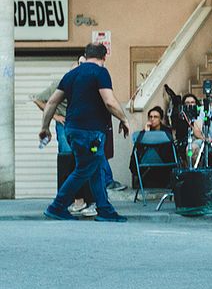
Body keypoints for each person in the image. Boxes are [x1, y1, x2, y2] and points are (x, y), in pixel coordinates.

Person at [38, 43, 131, 222]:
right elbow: (109, 102)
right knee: (84, 169)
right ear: (104, 58)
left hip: (72, 129)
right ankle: (57, 206)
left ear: (86, 55)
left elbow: (51, 103)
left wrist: (45, 128)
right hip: (91, 132)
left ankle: (104, 209)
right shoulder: (100, 72)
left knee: (94, 169)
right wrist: (124, 119)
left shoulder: (71, 75)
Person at [32, 59, 93, 216]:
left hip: (82, 126)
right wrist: (56, 117)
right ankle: (68, 200)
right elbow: (39, 100)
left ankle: (84, 200)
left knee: (85, 161)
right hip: (64, 125)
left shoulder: (87, 85)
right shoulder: (59, 84)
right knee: (68, 159)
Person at [129, 106, 174, 188]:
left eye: (155, 117)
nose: (152, 119)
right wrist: (146, 133)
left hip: (163, 160)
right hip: (146, 160)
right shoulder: (144, 132)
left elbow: (169, 150)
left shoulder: (166, 132)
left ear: (160, 119)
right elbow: (139, 149)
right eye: (150, 117)